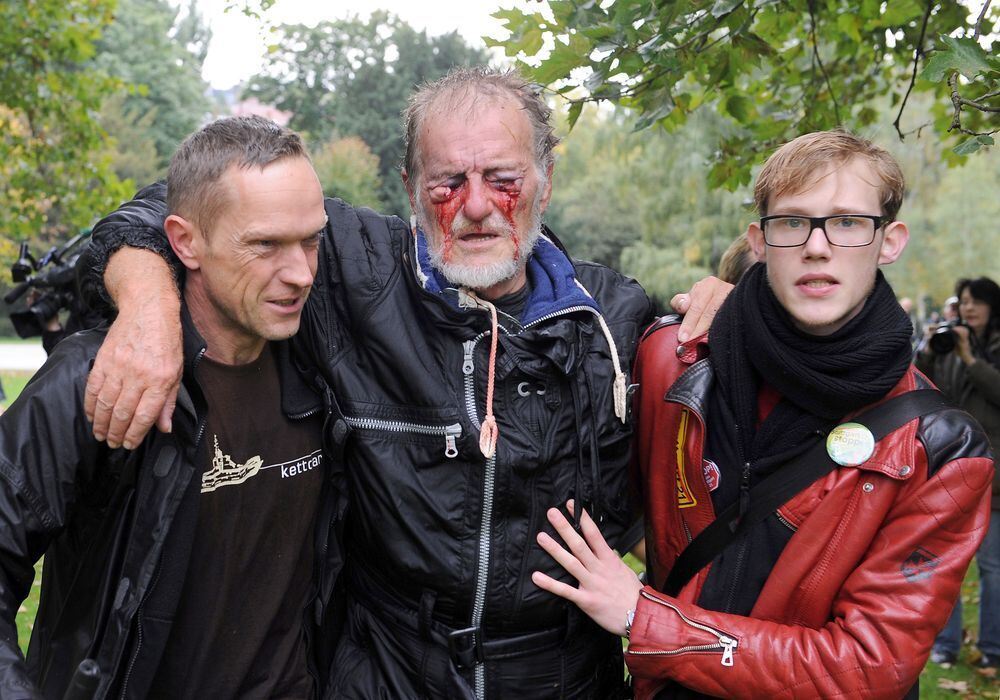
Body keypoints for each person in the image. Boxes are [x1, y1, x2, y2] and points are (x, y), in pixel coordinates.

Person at [79, 67, 732, 698]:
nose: (476, 206)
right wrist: (148, 307)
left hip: (566, 676)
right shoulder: (352, 271)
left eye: (503, 179)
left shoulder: (615, 318)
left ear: (546, 180)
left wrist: (739, 311)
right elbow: (166, 209)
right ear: (410, 187)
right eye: (447, 182)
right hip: (386, 668)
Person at [531, 129, 995, 698]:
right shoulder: (670, 362)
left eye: (848, 222)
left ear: (890, 240)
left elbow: (868, 667)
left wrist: (646, 617)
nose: (817, 246)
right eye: (792, 222)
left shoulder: (940, 448)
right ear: (760, 240)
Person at [0, 115, 341, 697]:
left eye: (312, 240)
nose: (301, 273)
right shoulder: (94, 377)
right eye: (265, 245)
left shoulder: (328, 365)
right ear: (185, 241)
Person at [919, 277, 1000, 668]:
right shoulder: (949, 344)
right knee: (945, 561)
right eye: (964, 302)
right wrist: (930, 350)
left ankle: (993, 650)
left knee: (992, 567)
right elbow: (923, 388)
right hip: (952, 468)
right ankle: (945, 645)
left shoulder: (992, 347)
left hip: (995, 473)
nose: (968, 309)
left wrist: (971, 359)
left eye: (976, 302)